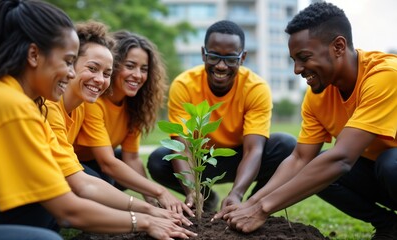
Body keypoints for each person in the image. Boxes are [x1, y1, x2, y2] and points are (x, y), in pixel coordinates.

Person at [0, 1, 196, 240]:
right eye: (68, 61)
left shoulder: (25, 102)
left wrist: (149, 209)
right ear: (33, 54)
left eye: (106, 73)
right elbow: (68, 210)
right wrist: (144, 221)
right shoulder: (10, 104)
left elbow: (82, 182)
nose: (71, 73)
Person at [213, 2, 397, 239]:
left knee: (390, 163)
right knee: (317, 170)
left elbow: (342, 158)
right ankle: (389, 226)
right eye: (293, 60)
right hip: (378, 173)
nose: (297, 70)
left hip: (391, 167)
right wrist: (251, 202)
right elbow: (300, 159)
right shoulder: (317, 96)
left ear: (338, 46)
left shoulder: (384, 76)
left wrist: (262, 209)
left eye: (304, 58)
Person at [45, 20, 193, 230]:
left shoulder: (82, 105)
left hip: (71, 170)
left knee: (110, 176)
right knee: (99, 181)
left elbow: (131, 158)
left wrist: (151, 201)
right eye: (93, 68)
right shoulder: (74, 104)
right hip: (72, 170)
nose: (138, 75)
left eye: (106, 73)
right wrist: (149, 208)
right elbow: (95, 171)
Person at [147, 20, 296, 212]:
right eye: (214, 56)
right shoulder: (184, 85)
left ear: (242, 58)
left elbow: (253, 150)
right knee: (159, 160)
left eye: (231, 59)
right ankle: (204, 199)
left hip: (241, 156)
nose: (221, 66)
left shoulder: (256, 88)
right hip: (201, 159)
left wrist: (236, 194)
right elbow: (182, 147)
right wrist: (192, 190)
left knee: (286, 146)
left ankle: (251, 205)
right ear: (203, 54)